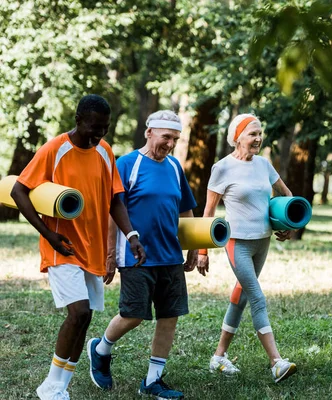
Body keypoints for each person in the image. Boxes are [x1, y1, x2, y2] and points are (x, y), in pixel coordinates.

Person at [10, 94, 146, 400]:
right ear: (78, 120)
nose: (98, 135)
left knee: (86, 317)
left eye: (104, 129)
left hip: (92, 249)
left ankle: (61, 385)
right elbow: (20, 190)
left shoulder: (104, 151)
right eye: (93, 128)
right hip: (62, 247)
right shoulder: (55, 149)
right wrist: (48, 234)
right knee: (78, 311)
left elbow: (115, 198)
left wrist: (132, 236)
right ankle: (50, 386)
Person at [86, 110, 201, 399]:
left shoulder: (175, 167)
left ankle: (152, 380)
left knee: (170, 315)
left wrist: (193, 247)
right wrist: (110, 255)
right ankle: (100, 349)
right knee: (133, 314)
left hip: (170, 256)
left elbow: (185, 209)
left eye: (175, 139)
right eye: (166, 137)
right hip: (136, 256)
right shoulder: (126, 164)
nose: (171, 144)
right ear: (149, 132)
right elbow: (113, 211)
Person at [200, 113, 297, 383]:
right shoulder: (222, 168)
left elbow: (286, 194)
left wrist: (286, 222)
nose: (258, 138)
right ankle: (276, 362)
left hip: (262, 241)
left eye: (259, 133)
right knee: (256, 296)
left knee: (241, 296)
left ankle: (218, 356)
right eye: (252, 133)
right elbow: (208, 211)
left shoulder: (264, 165)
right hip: (236, 243)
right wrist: (203, 251)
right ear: (237, 137)